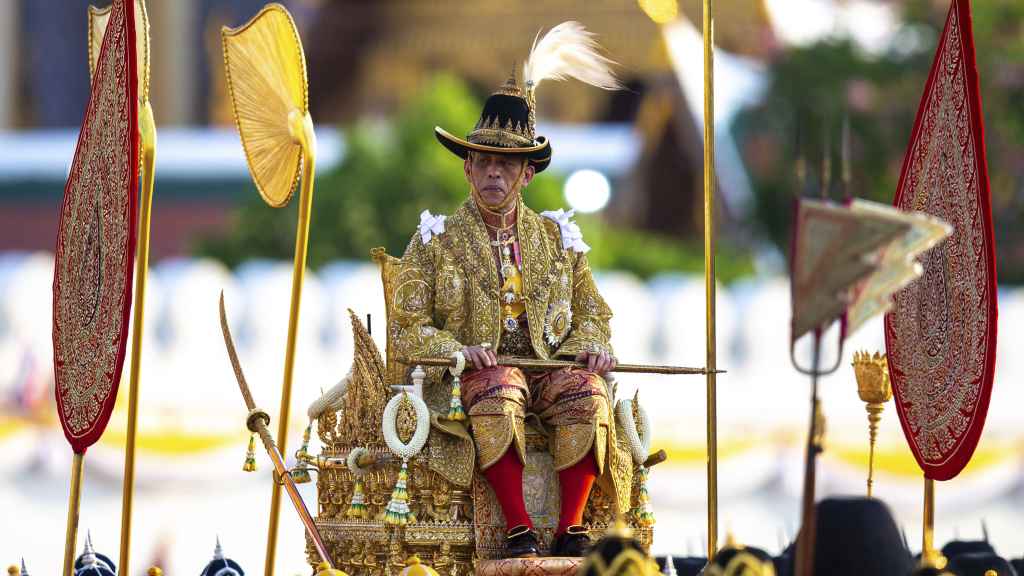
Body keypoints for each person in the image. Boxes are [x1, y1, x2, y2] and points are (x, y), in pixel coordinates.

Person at [393, 22, 626, 558]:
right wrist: (457, 351)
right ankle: (519, 529)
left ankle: (568, 531)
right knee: (499, 387)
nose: (494, 172)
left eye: (507, 164)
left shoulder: (559, 238)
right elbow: (408, 326)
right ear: (468, 167)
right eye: (485, 161)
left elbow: (593, 311)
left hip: (548, 368)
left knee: (586, 395)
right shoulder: (435, 240)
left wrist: (589, 347)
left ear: (526, 175)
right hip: (474, 378)